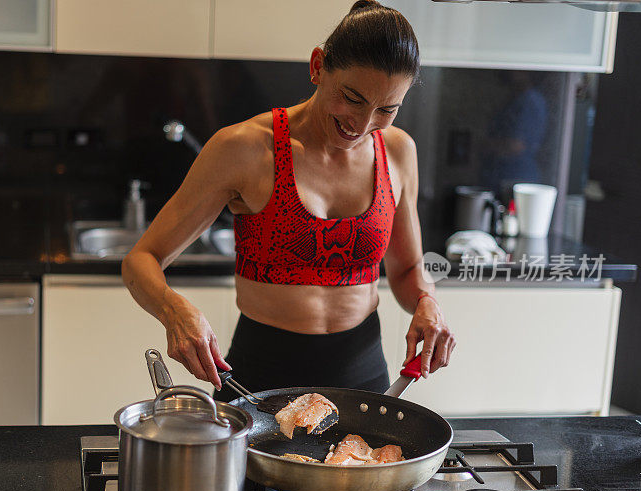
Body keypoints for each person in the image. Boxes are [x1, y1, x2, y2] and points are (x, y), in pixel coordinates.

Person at [122, 0, 455, 400]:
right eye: (351, 97)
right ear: (318, 66)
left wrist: (427, 302)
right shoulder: (244, 148)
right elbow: (142, 259)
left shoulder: (398, 151)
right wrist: (174, 310)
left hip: (363, 380)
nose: (363, 125)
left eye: (386, 109)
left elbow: (406, 270)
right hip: (260, 379)